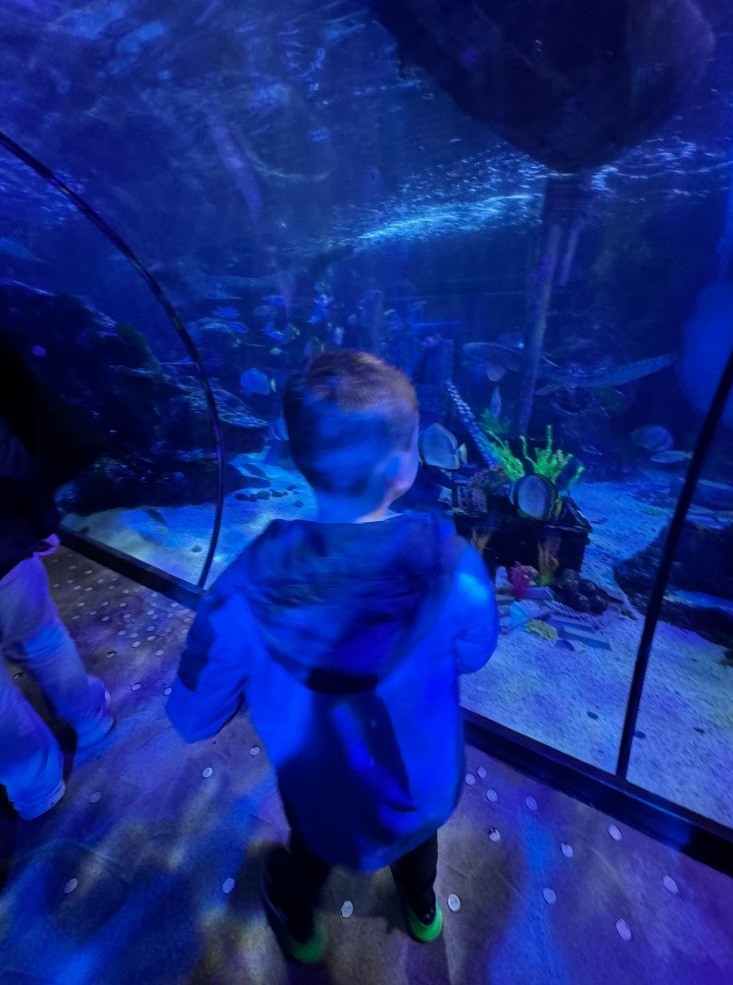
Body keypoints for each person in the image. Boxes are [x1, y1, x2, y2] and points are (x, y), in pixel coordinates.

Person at [167, 350, 498, 964]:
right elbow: (477, 652)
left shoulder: (243, 588)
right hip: (424, 784)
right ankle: (422, 909)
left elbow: (192, 716)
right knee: (419, 842)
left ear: (297, 461)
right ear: (408, 464)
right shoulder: (458, 566)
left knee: (312, 848)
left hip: (322, 791)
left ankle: (298, 919)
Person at [0, 415, 114, 821]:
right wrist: (42, 521)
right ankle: (90, 718)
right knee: (43, 638)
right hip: (4, 550)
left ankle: (35, 786)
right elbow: (8, 455)